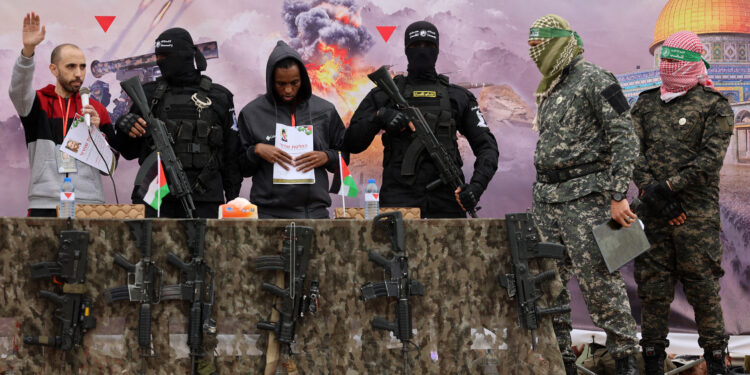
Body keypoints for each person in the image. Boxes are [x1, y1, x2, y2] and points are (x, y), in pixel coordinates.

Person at [526, 14, 641, 375]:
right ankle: (562, 363)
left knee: (601, 284)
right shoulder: (550, 86)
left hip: (586, 200)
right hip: (547, 200)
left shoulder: (596, 78)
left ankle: (626, 361)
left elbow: (625, 137)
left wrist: (619, 193)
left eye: (539, 45)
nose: (534, 53)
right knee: (549, 286)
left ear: (560, 42)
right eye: (530, 47)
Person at [631, 30, 733, 375]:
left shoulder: (714, 105)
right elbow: (633, 154)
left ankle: (717, 362)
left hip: (695, 219)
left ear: (693, 63)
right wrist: (654, 194)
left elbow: (708, 161)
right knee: (653, 292)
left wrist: (668, 189)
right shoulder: (645, 104)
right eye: (666, 60)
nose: (669, 66)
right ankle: (652, 362)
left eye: (676, 61)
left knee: (703, 290)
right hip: (654, 217)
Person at [343, 20, 498, 218]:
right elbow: (351, 143)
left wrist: (475, 188)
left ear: (438, 50)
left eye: (429, 45)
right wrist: (381, 116)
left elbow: (488, 148)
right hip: (398, 202)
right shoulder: (383, 94)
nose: (422, 51)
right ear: (406, 50)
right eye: (415, 46)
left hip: (447, 200)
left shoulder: (459, 97)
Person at [114, 28, 242, 218]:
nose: (161, 61)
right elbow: (129, 151)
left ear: (185, 55)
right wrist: (124, 125)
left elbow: (232, 157)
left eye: (167, 55)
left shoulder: (219, 97)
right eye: (159, 56)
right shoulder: (148, 94)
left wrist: (232, 202)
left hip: (205, 199)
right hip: (155, 198)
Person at [8, 12, 116, 217]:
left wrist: (96, 132)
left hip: (90, 203)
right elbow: (17, 90)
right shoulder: (37, 102)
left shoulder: (97, 109)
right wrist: (27, 52)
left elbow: (110, 168)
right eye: (71, 66)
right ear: (54, 69)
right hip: (45, 202)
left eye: (83, 67)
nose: (79, 74)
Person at [237, 40, 347, 218]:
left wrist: (327, 156)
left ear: (303, 79)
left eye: (294, 83)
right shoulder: (251, 113)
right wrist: (256, 150)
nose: (288, 90)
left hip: (314, 214)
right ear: (270, 81)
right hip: (268, 216)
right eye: (281, 84)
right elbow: (239, 167)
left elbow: (345, 154)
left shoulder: (325, 111)